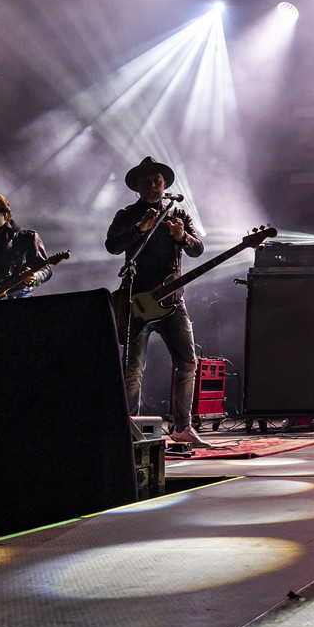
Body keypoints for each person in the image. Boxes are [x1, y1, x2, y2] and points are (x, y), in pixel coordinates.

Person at [106, 156, 208, 447]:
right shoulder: (127, 214)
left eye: (157, 181)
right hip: (136, 302)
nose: (153, 185)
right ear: (136, 187)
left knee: (187, 363)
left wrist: (183, 236)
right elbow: (112, 246)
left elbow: (198, 249)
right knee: (133, 370)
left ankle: (183, 427)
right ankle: (129, 430)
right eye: (147, 182)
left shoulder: (178, 213)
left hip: (173, 302)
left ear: (164, 185)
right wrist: (139, 228)